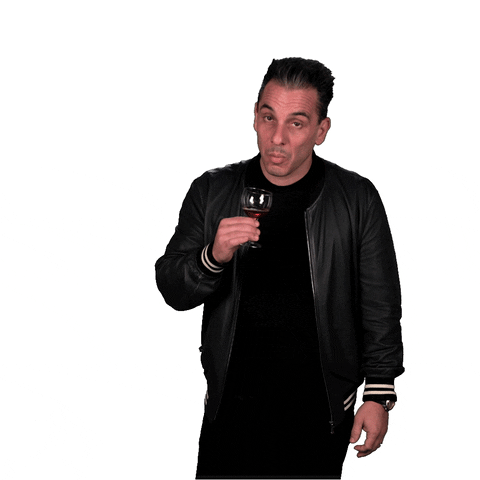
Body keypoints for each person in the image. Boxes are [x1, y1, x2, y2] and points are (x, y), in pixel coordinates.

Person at [155, 57, 404, 479]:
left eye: (296, 123)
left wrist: (379, 394)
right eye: (269, 117)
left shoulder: (356, 198)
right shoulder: (212, 190)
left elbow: (380, 303)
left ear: (321, 131)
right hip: (231, 413)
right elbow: (172, 289)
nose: (277, 138)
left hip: (319, 416)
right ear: (255, 115)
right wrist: (212, 256)